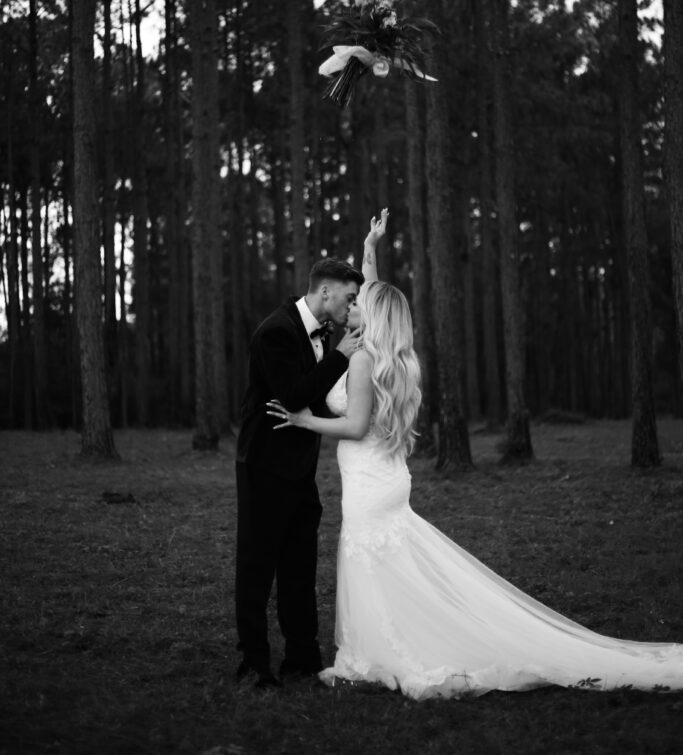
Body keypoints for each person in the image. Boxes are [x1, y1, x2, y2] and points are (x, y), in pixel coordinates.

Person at [267, 280, 683, 700]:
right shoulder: (397, 361)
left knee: (368, 561)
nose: (352, 303)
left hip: (369, 482)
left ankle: (375, 654)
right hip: (388, 477)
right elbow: (378, 298)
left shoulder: (361, 361)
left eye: (361, 301)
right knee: (383, 565)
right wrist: (371, 247)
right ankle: (377, 647)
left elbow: (355, 426)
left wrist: (306, 421)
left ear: (373, 315)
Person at [235, 235, 383, 688]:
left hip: (301, 471)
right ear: (324, 292)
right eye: (348, 296)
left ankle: (301, 657)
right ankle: (254, 664)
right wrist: (340, 356)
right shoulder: (276, 332)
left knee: (300, 565)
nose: (352, 304)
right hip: (263, 467)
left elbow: (318, 402)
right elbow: (294, 397)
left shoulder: (326, 333)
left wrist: (370, 248)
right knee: (257, 568)